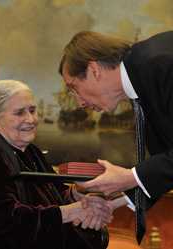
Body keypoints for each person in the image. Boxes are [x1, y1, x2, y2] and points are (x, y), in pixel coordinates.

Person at [0, 80, 111, 249]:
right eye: (19, 113)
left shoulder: (31, 151)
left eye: (32, 110)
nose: (30, 119)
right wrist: (70, 212)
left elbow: (55, 193)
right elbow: (5, 222)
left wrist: (78, 198)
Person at [59, 30, 173, 218]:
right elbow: (165, 161)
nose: (80, 103)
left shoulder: (162, 64)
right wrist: (113, 203)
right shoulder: (142, 77)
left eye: (74, 88)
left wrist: (129, 177)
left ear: (94, 70)